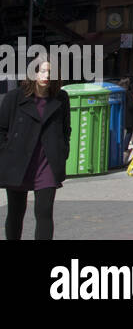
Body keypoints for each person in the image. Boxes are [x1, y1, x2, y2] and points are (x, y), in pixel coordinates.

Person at [0, 57, 71, 240]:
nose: (46, 75)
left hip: (46, 162)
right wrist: (5, 153)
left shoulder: (61, 98)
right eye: (42, 71)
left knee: (44, 212)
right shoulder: (14, 97)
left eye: (50, 72)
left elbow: (65, 129)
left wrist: (63, 151)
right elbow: (2, 129)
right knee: (16, 212)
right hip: (18, 161)